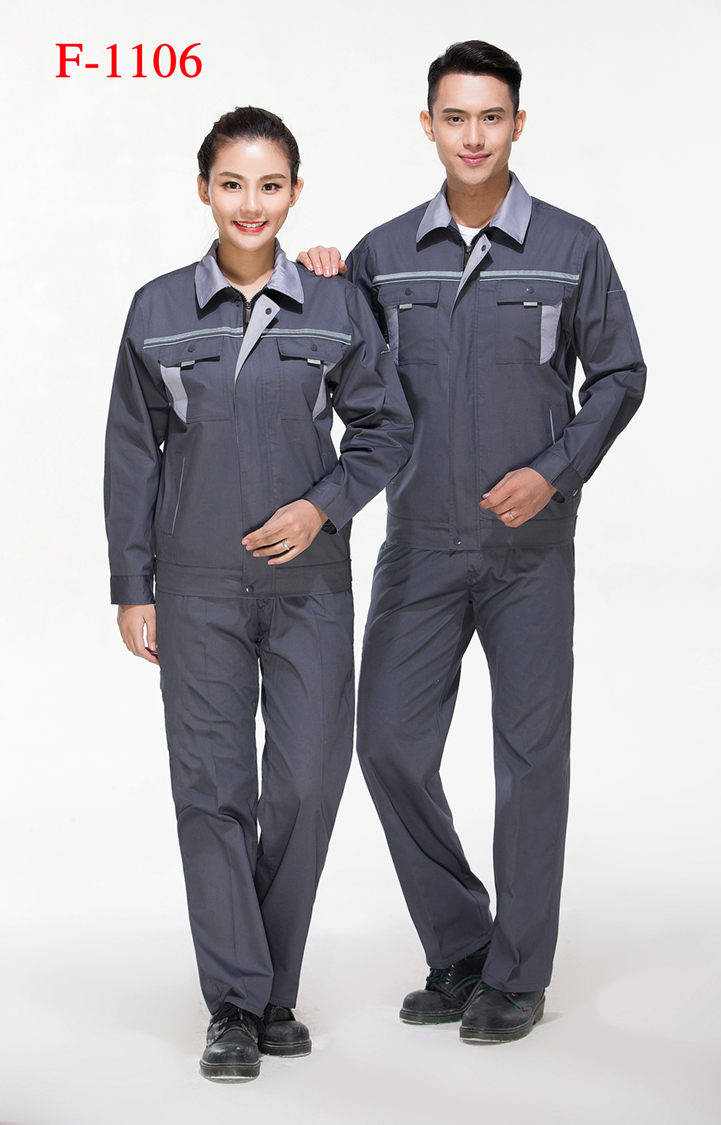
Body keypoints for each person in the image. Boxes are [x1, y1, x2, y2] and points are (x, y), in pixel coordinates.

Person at [300, 40, 646, 1044]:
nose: (474, 135)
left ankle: (518, 974)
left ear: (518, 125)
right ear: (429, 126)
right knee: (387, 743)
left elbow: (619, 375)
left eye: (492, 117)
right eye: (455, 117)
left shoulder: (572, 247)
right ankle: (461, 944)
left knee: (530, 760)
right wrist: (317, 277)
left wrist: (555, 471)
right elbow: (334, 369)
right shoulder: (383, 254)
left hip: (529, 549)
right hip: (419, 540)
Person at [104, 105, 413, 1082]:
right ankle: (241, 1004)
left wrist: (323, 507)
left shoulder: (335, 303)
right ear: (204, 189)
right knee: (213, 789)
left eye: (270, 185)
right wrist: (132, 584)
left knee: (309, 780)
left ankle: (267, 978)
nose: (251, 203)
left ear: (295, 192)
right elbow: (131, 453)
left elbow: (385, 431)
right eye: (232, 184)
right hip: (195, 585)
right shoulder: (157, 309)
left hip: (307, 583)